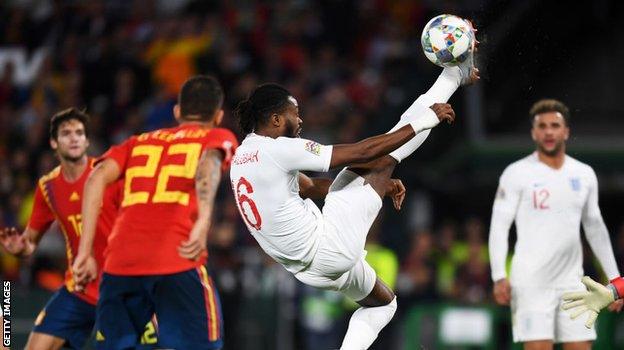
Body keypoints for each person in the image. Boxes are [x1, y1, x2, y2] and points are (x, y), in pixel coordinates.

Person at [230, 60, 478, 349]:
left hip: (310, 270)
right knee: (382, 159)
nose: (300, 121)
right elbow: (362, 152)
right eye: (294, 115)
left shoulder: (242, 159)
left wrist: (379, 187)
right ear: (274, 120)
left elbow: (310, 187)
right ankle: (451, 77)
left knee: (383, 305)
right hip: (328, 247)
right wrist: (424, 121)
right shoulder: (277, 149)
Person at [72, 75, 238, 349]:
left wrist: (85, 252)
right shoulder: (217, 136)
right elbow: (208, 165)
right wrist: (204, 219)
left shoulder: (135, 143)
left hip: (120, 264)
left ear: (177, 111)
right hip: (177, 259)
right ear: (218, 116)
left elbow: (95, 178)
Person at [0, 108, 156, 349]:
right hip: (79, 290)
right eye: (66, 133)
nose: (74, 138)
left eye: (79, 133)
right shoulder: (48, 187)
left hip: (121, 289)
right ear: (54, 142)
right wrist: (18, 247)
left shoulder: (108, 174)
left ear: (87, 140)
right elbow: (30, 242)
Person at [488, 99, 623, 350]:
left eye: (554, 125)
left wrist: (614, 279)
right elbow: (499, 226)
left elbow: (595, 227)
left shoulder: (583, 174)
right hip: (530, 283)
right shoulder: (516, 173)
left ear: (566, 132)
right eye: (542, 126)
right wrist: (499, 276)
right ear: (533, 132)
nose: (548, 131)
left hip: (572, 281)